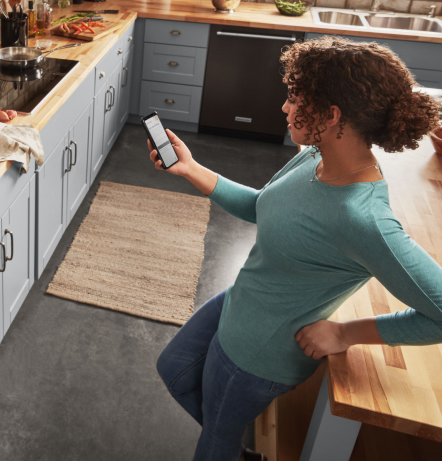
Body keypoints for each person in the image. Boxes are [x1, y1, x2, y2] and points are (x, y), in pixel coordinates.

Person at [149, 37, 442, 461]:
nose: (285, 108)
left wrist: (345, 334)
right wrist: (191, 169)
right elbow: (262, 207)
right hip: (242, 302)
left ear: (330, 115)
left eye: (294, 98)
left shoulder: (363, 219)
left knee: (214, 443)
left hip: (259, 355)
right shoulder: (315, 157)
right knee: (174, 369)